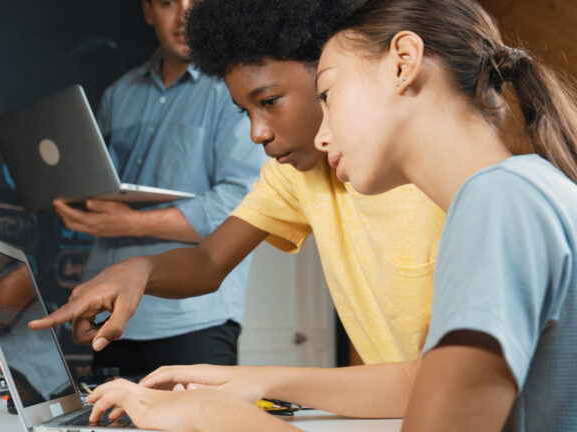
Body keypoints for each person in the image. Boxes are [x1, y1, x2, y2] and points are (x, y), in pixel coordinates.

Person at [80, 0, 577, 430]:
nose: (321, 134)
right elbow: (420, 378)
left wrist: (212, 418)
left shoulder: (497, 206)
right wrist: (254, 382)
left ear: (403, 62)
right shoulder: (521, 192)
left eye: (327, 94)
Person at [33, 0, 444, 383]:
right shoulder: (292, 177)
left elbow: (435, 382)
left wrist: (250, 384)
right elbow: (209, 261)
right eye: (245, 111)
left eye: (269, 101)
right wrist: (139, 269)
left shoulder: (437, 184)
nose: (256, 132)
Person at [51, 0, 266, 377]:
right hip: (114, 311)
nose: (184, 15)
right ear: (148, 11)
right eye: (168, 3)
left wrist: (130, 223)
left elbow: (241, 204)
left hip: (195, 318)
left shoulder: (232, 90)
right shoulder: (119, 93)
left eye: (196, 3)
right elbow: (104, 186)